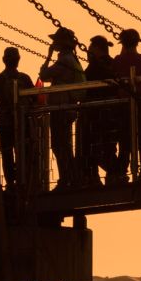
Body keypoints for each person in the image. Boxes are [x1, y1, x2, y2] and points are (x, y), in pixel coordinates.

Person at [39, 27, 85, 190]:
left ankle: (67, 179)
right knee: (64, 144)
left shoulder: (64, 60)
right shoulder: (72, 59)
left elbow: (44, 75)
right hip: (68, 107)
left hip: (61, 108)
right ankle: (70, 177)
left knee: (59, 145)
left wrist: (48, 56)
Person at [112, 28, 141, 182]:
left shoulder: (117, 61)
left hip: (123, 106)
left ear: (123, 43)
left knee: (124, 140)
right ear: (137, 42)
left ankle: (122, 172)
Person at [0, 47, 34, 188]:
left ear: (3, 60)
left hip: (4, 122)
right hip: (22, 122)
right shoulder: (25, 79)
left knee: (7, 153)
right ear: (18, 60)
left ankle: (10, 182)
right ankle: (25, 180)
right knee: (24, 151)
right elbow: (34, 99)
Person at [82, 35, 122, 185]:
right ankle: (114, 174)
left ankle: (98, 176)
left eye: (90, 49)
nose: (88, 52)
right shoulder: (112, 64)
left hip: (97, 114)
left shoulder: (94, 67)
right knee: (109, 146)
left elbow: (85, 85)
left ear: (97, 49)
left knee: (93, 147)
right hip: (113, 113)